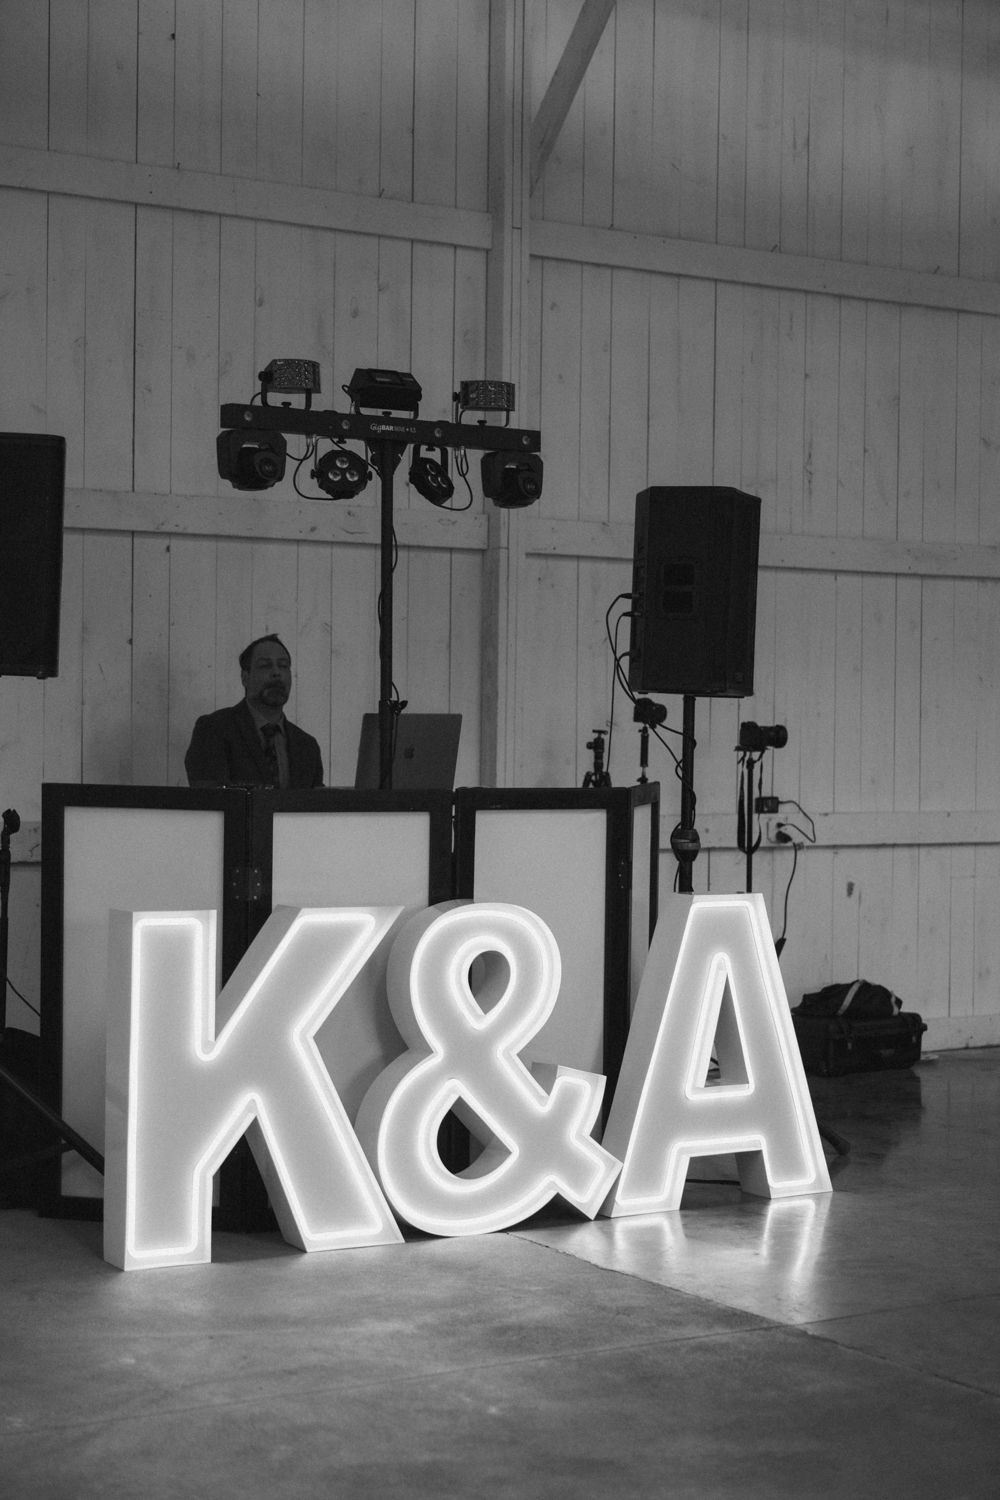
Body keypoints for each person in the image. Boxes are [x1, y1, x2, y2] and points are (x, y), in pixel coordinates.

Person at [184, 634, 324, 789]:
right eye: (265, 665)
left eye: (283, 666)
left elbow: (317, 802)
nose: (276, 672)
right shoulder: (215, 729)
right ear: (245, 678)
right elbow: (210, 797)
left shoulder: (307, 746)